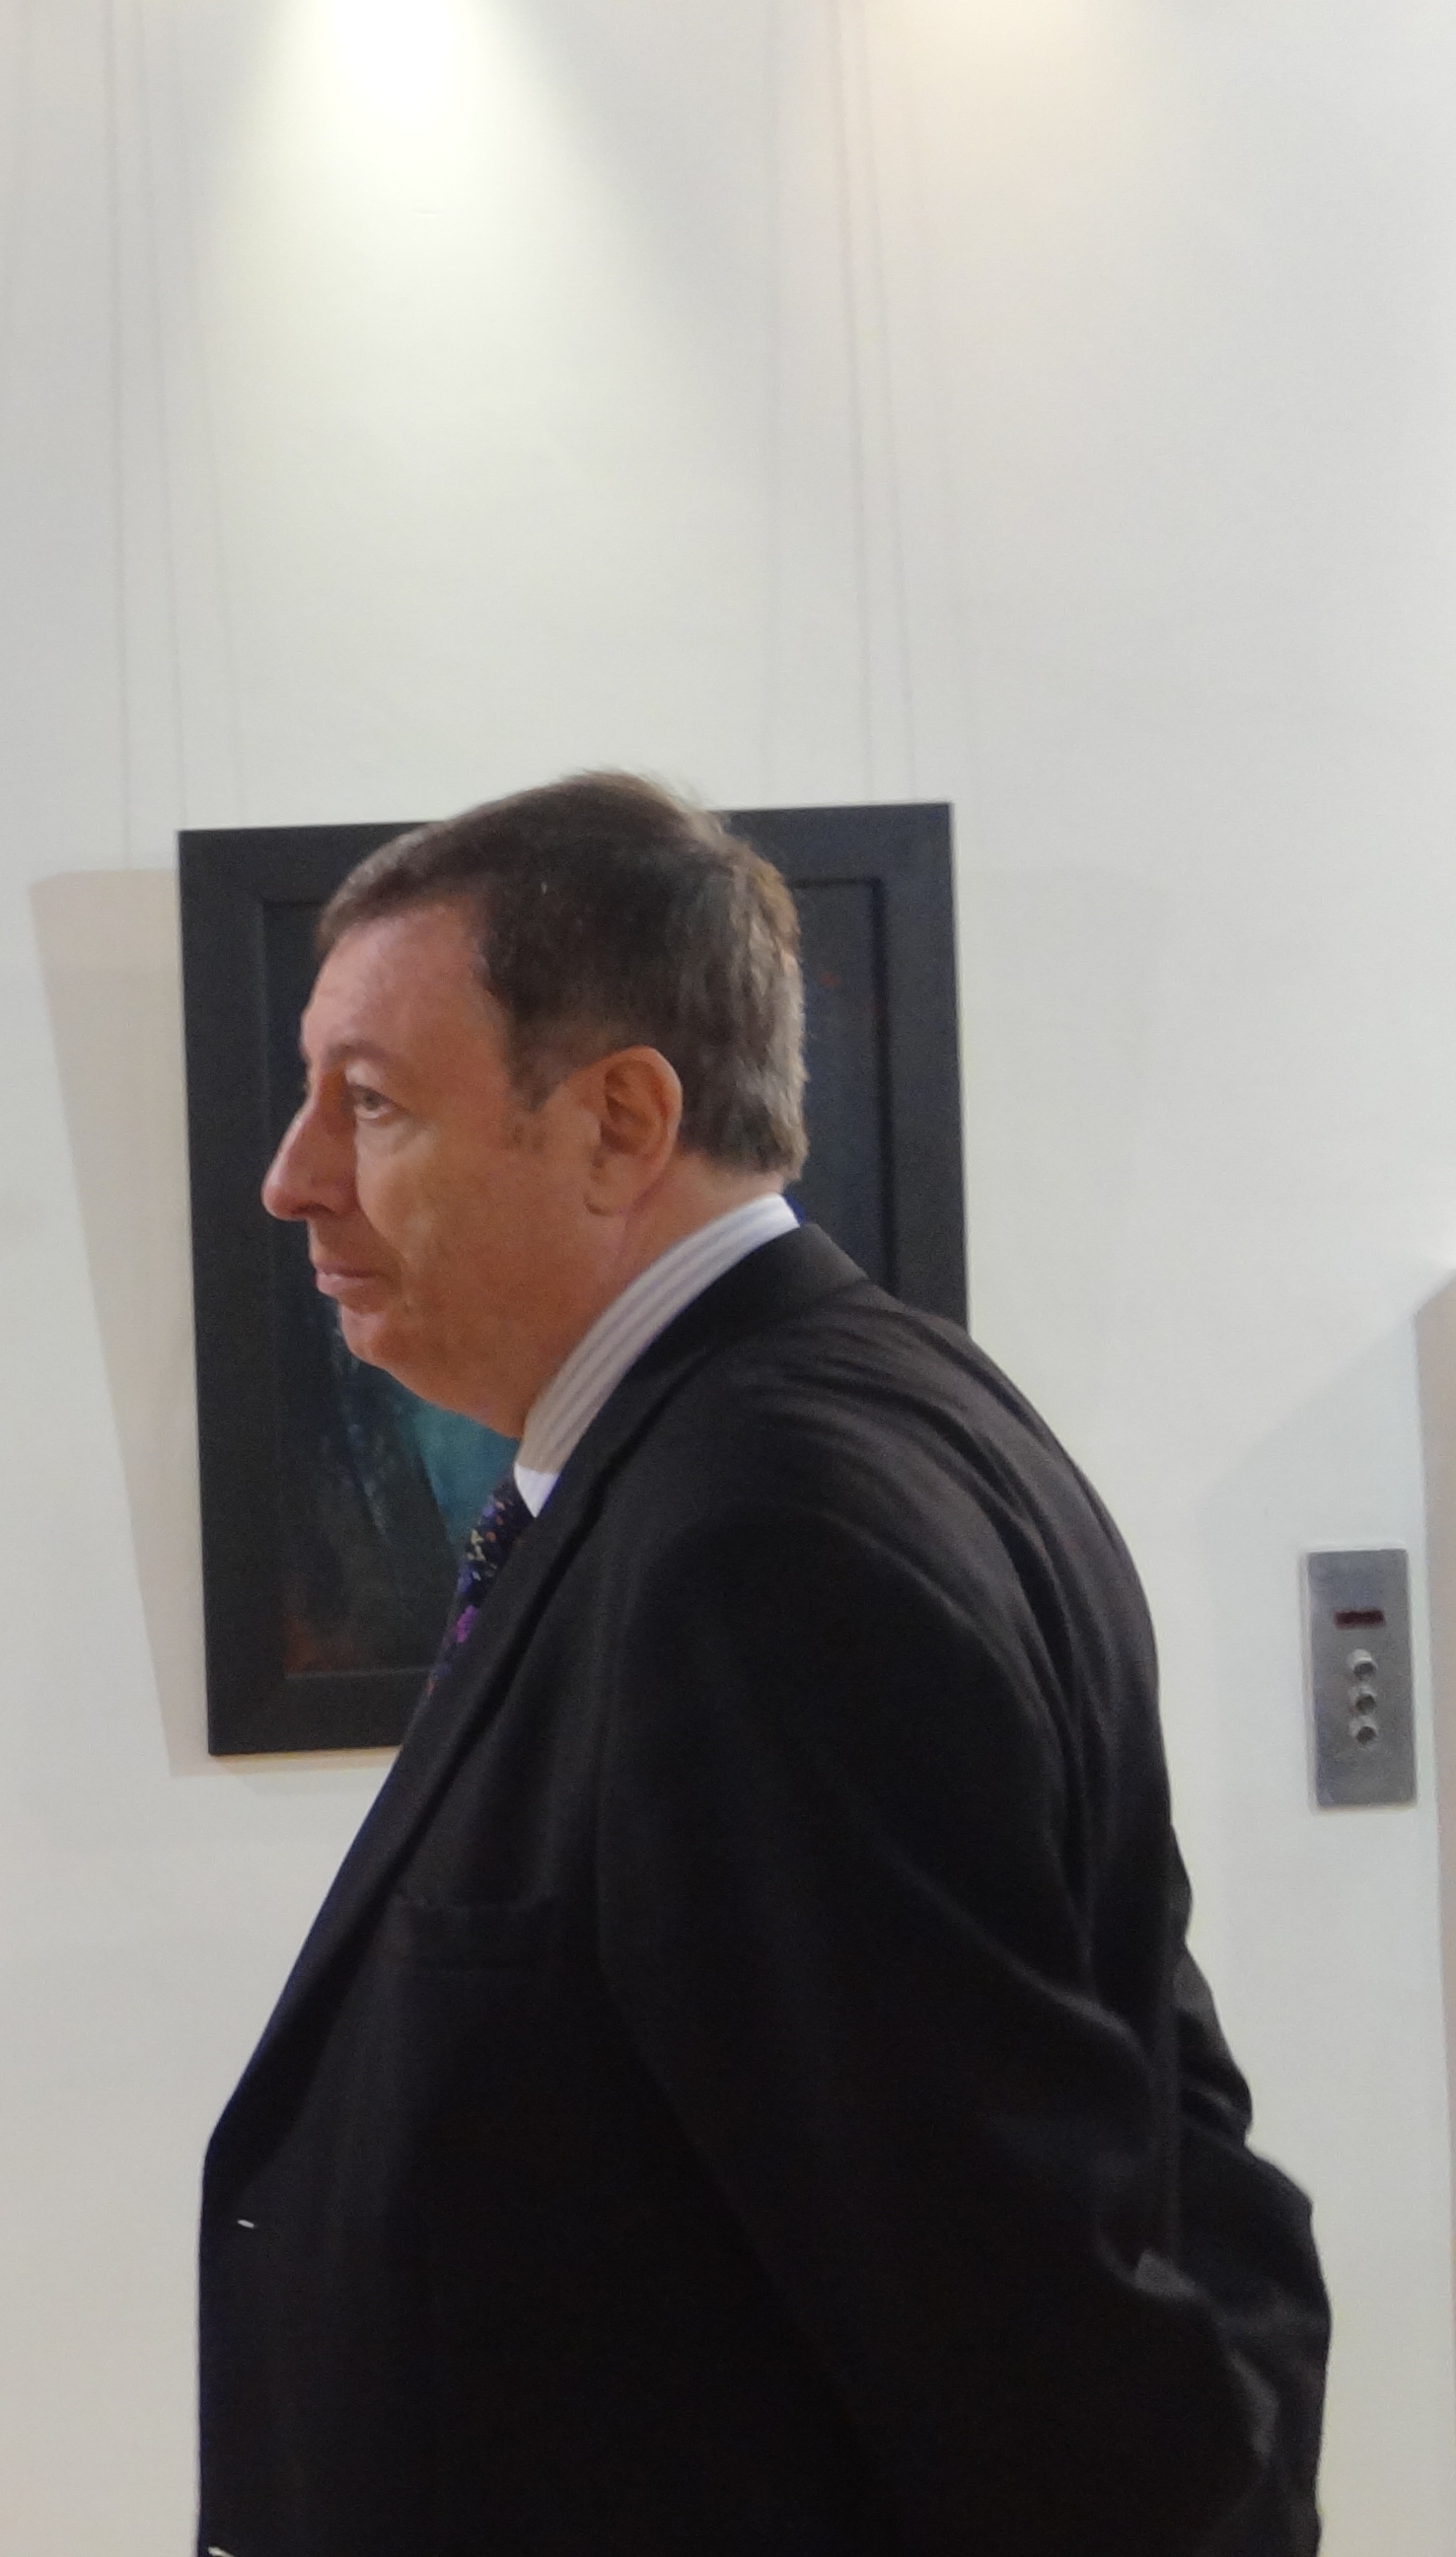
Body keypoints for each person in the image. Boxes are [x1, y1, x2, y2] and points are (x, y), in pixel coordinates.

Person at [200, 773, 1330, 2556]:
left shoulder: (759, 1546)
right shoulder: (841, 1420)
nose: (291, 1178)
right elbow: (1142, 2109)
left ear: (618, 1121)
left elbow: (1022, 2327)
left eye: (369, 1102)